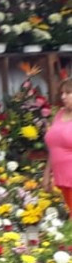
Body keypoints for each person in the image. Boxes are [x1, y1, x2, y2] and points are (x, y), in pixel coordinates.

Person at [45, 78, 72, 210]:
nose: (63, 97)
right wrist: (47, 174)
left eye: (68, 93)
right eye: (62, 93)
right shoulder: (59, 114)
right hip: (62, 178)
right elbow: (54, 148)